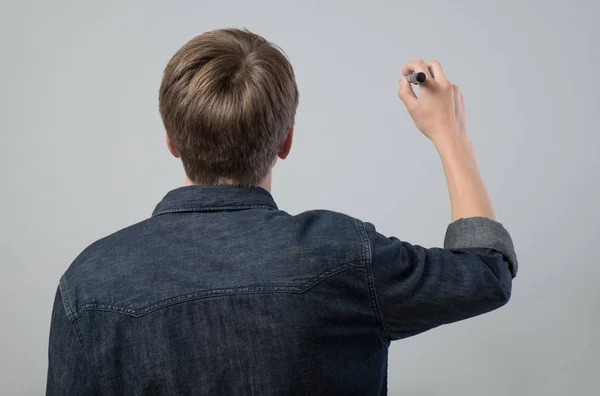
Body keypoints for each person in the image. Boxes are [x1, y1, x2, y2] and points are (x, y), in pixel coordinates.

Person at [46, 28, 518, 395]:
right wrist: (450, 135)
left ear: (171, 141)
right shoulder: (342, 256)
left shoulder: (88, 284)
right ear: (286, 140)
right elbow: (484, 273)